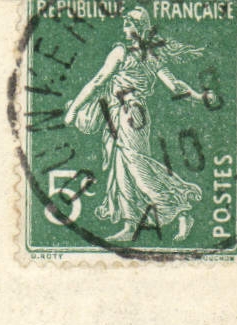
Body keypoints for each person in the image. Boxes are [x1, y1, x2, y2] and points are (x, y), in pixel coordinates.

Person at [61, 6, 209, 242]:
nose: (125, 27)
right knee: (123, 170)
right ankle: (131, 225)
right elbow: (175, 86)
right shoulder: (150, 55)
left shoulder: (122, 52)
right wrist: (198, 96)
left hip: (129, 114)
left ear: (136, 28)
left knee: (137, 167)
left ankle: (182, 208)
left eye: (128, 23)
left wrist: (74, 108)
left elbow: (99, 81)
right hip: (126, 113)